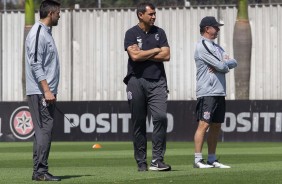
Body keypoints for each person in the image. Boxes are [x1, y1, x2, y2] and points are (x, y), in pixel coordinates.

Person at [123, 2, 171, 172]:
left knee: (160, 117)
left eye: (154, 14)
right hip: (136, 81)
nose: (154, 17)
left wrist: (145, 53)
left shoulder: (160, 32)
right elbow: (135, 57)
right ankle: (141, 161)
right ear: (140, 15)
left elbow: (167, 55)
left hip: (158, 82)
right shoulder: (131, 33)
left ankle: (157, 160)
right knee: (139, 123)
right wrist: (155, 50)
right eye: (150, 14)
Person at [193, 16, 237, 169]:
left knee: (216, 125)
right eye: (215, 27)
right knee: (204, 124)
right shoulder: (202, 45)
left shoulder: (218, 47)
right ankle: (198, 160)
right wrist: (223, 65)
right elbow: (222, 65)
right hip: (207, 91)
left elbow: (233, 62)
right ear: (207, 29)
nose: (218, 29)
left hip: (219, 91)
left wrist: (222, 64)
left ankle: (212, 158)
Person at [25, 0, 61, 181]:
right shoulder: (38, 33)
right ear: (50, 14)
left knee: (43, 130)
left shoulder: (46, 33)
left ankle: (39, 171)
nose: (60, 15)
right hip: (41, 92)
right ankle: (40, 171)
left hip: (46, 91)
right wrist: (46, 90)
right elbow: (35, 64)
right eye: (58, 12)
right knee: (44, 129)